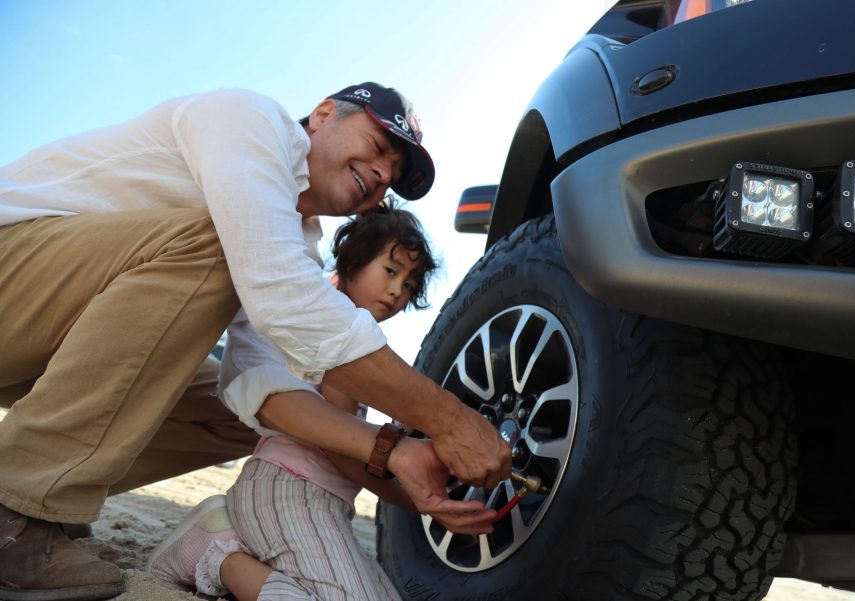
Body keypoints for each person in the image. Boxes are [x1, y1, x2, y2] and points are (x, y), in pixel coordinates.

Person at [0, 83, 511, 601]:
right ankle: (17, 511)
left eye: (393, 176)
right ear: (325, 113)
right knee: (220, 246)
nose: (383, 175)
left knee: (238, 410)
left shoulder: (292, 241)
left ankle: (45, 492)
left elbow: (260, 384)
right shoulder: (250, 120)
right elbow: (285, 298)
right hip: (12, 271)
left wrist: (397, 453)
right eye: (380, 148)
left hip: (47, 336)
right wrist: (450, 421)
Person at [149, 200, 482, 600]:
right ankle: (219, 556)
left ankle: (234, 545)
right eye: (390, 271)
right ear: (352, 262)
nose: (397, 291)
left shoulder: (346, 335)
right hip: (287, 491)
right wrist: (413, 500)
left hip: (320, 504)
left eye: (409, 284)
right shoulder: (341, 333)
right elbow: (339, 450)